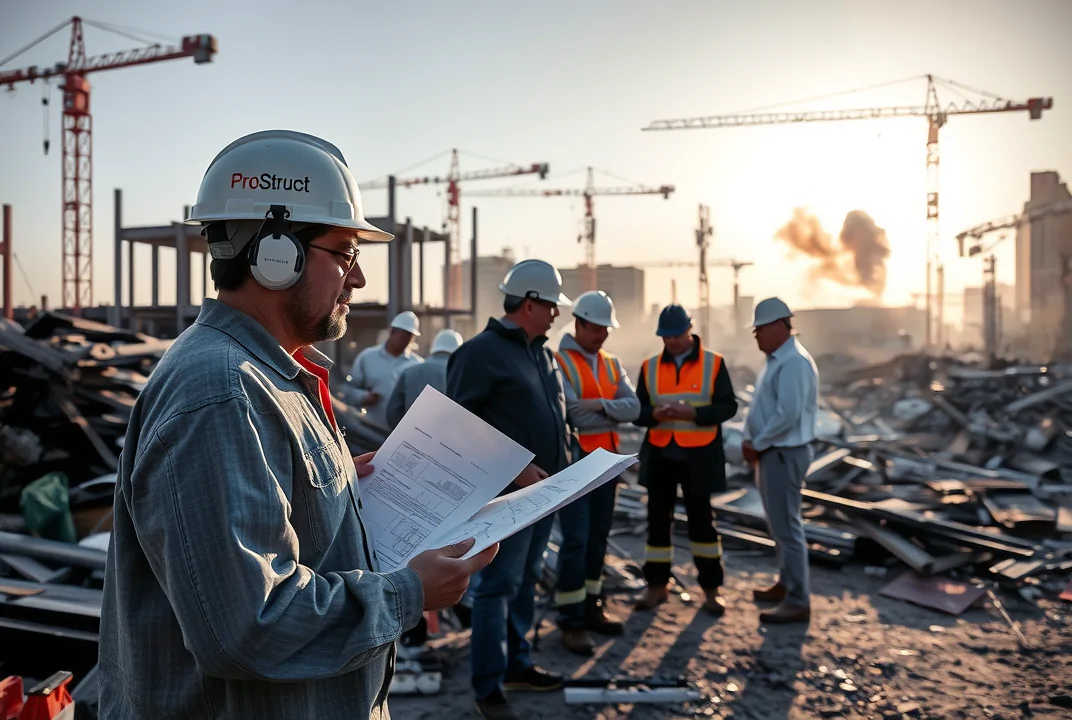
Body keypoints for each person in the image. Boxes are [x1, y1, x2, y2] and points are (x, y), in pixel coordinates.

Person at [97, 130, 497, 720]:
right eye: (346, 254)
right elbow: (249, 627)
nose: (358, 280)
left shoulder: (266, 375)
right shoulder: (222, 394)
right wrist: (408, 593)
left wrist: (335, 491)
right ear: (275, 254)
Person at [446, 258, 573, 720]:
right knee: (497, 587)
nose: (557, 314)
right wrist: (516, 469)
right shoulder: (479, 354)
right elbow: (456, 426)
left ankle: (517, 664)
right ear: (529, 303)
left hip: (544, 495)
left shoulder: (543, 354)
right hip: (505, 497)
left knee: (526, 582)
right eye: (552, 305)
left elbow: (555, 417)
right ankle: (488, 686)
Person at [632, 304, 738, 615]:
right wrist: (654, 413)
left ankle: (711, 590)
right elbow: (638, 412)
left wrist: (693, 413)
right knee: (657, 523)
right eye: (667, 337)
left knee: (702, 524)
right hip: (661, 454)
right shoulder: (650, 367)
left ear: (689, 330)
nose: (672, 342)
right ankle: (656, 586)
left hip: (699, 456)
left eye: (677, 335)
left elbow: (728, 407)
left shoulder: (713, 363)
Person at [552, 290, 639, 655]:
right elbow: (573, 414)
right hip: (577, 463)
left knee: (598, 538)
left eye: (606, 329)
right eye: (597, 328)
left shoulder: (612, 363)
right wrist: (610, 411)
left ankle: (592, 607)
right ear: (579, 323)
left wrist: (600, 405)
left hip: (606, 464)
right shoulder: (559, 361)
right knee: (576, 540)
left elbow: (633, 407)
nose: (603, 334)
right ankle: (571, 620)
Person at [742, 297, 819, 624]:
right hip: (772, 452)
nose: (756, 336)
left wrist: (757, 444)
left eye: (759, 329)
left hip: (783, 453)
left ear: (778, 326)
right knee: (779, 523)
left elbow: (787, 414)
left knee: (787, 527)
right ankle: (786, 583)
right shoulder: (777, 360)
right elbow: (764, 407)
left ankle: (798, 600)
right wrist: (751, 439)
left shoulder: (794, 363)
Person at [346, 310, 424, 430]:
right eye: (404, 335)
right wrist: (364, 397)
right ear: (392, 332)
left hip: (402, 432)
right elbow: (348, 390)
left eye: (410, 336)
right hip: (369, 429)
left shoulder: (417, 365)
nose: (407, 340)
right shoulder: (367, 358)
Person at [386, 328, 464, 429]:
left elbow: (392, 412)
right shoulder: (461, 375)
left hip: (413, 433)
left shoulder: (409, 372)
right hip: (447, 435)